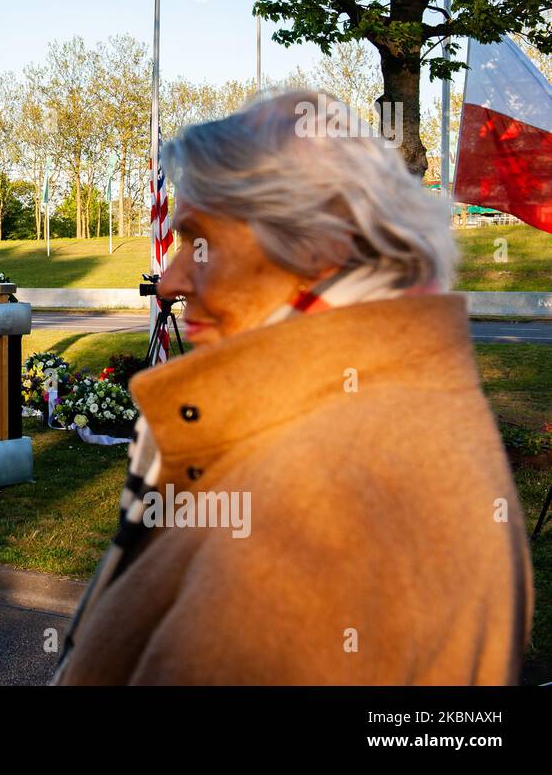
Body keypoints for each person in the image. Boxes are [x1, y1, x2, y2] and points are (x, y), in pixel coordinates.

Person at [56, 91, 533, 685]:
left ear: (320, 242)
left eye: (199, 242)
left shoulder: (326, 493)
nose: (172, 282)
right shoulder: (373, 416)